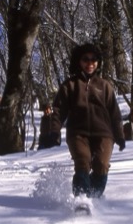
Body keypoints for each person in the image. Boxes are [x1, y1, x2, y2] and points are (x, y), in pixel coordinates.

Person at [50, 43, 125, 199]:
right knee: (83, 162)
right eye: (86, 59)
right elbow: (58, 110)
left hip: (104, 133)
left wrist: (120, 135)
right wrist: (54, 131)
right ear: (78, 61)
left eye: (94, 60)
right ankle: (81, 199)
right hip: (78, 133)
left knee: (101, 165)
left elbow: (115, 113)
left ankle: (94, 198)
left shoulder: (105, 86)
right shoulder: (69, 85)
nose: (90, 63)